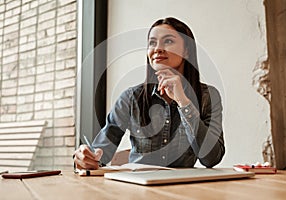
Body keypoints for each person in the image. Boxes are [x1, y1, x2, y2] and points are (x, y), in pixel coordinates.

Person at [74, 17, 225, 170]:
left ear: (186, 50)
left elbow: (211, 159)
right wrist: (86, 157)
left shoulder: (208, 96)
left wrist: (183, 102)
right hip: (139, 186)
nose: (157, 49)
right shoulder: (130, 97)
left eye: (168, 41)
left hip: (183, 188)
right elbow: (100, 151)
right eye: (152, 43)